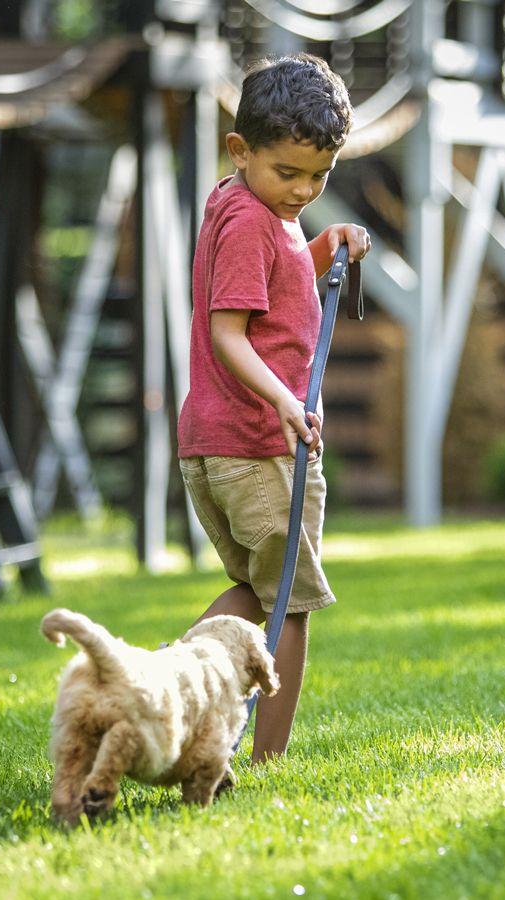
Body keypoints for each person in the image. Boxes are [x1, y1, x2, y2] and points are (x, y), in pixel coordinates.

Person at [176, 53, 371, 766]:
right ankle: (267, 761)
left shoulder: (249, 206)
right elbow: (228, 334)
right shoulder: (254, 221)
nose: (302, 190)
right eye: (287, 172)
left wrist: (325, 246)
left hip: (225, 440)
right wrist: (287, 402)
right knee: (291, 601)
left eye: (318, 176)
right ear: (240, 149)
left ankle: (153, 687)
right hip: (255, 442)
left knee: (254, 592)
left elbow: (277, 286)